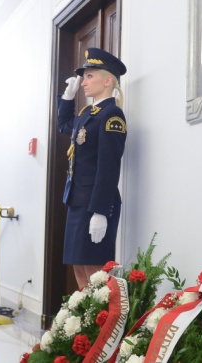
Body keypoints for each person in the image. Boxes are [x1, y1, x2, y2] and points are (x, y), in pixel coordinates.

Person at [56, 48, 127, 289]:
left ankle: (101, 325)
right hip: (78, 202)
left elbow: (109, 167)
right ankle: (88, 325)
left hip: (95, 204)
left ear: (108, 81)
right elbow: (65, 125)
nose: (83, 82)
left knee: (95, 274)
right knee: (79, 269)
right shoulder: (89, 114)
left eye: (89, 76)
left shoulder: (112, 116)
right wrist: (67, 97)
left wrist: (100, 211)